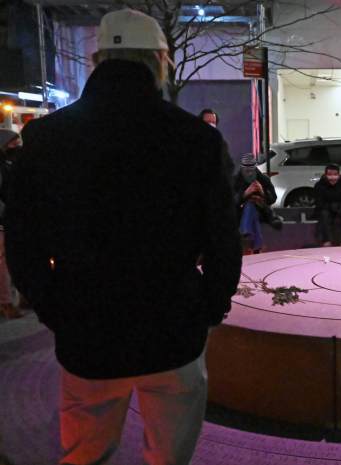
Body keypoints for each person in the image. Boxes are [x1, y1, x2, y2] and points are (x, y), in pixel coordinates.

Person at [5, 9, 241, 465]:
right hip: (173, 326)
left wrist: (53, 307)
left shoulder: (47, 138)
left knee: (84, 454)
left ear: (97, 61)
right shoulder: (196, 139)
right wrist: (209, 307)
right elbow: (222, 238)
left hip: (87, 327)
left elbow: (24, 240)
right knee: (169, 455)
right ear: (159, 59)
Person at [233, 153, 282, 253]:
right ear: (242, 169)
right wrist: (245, 194)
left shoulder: (263, 179)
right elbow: (230, 202)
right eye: (247, 171)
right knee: (250, 207)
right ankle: (257, 245)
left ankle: (246, 237)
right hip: (239, 212)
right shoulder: (235, 180)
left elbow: (273, 199)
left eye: (252, 170)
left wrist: (262, 192)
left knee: (251, 206)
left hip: (261, 211)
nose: (250, 173)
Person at [0, 130, 22, 319]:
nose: (16, 147)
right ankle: (5, 302)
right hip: (4, 221)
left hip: (13, 219)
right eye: (12, 144)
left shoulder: (10, 164)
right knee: (4, 262)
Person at [314, 164, 341, 246]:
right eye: (330, 174)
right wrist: (329, 207)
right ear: (325, 175)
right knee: (324, 215)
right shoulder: (319, 185)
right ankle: (326, 241)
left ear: (338, 175)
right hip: (326, 208)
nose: (332, 177)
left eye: (335, 174)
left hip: (340, 208)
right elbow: (319, 201)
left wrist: (339, 207)